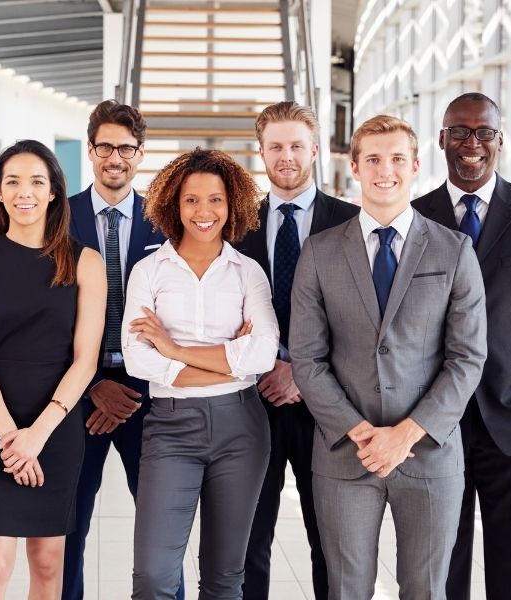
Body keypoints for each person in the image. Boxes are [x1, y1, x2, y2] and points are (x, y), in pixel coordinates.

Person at [289, 115, 487, 599]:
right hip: (345, 453)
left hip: (429, 453)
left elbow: (467, 358)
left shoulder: (454, 250)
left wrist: (404, 436)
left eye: (397, 158)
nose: (385, 170)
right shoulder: (319, 252)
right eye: (373, 159)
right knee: (347, 589)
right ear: (355, 167)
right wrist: (362, 434)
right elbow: (307, 358)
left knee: (425, 590)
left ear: (415, 165)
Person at [0, 139, 106, 599]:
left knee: (47, 562)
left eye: (37, 182)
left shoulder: (85, 262)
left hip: (55, 426)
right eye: (13, 182)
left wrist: (37, 435)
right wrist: (11, 438)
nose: (25, 192)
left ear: (54, 191)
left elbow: (86, 360)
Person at [123, 148, 280, 599]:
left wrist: (173, 350)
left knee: (224, 577)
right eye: (191, 200)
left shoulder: (248, 273)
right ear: (173, 204)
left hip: (241, 429)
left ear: (232, 205)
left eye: (215, 200)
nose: (203, 211)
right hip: (170, 429)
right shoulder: (148, 271)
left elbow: (264, 354)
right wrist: (230, 360)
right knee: (153, 576)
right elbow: (138, 360)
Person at [234, 101, 358, 600]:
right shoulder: (236, 224)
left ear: (315, 150)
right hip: (252, 404)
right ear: (261, 152)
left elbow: (361, 321)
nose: (286, 156)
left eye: (296, 146)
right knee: (248, 544)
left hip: (327, 409)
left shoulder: (351, 221)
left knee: (331, 544)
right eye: (276, 147)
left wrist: (301, 375)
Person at [63, 99, 177, 600]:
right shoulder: (58, 217)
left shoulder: (166, 221)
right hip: (74, 394)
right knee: (67, 532)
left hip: (147, 395)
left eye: (126, 148)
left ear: (140, 154)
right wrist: (92, 385)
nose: (115, 157)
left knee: (161, 535)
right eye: (105, 147)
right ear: (90, 151)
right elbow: (45, 315)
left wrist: (134, 383)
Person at [412, 92, 511, 600]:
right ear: (441, 139)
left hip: (510, 418)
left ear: (500, 140)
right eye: (459, 131)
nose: (471, 143)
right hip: (434, 419)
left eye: (484, 132)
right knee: (441, 563)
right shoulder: (413, 218)